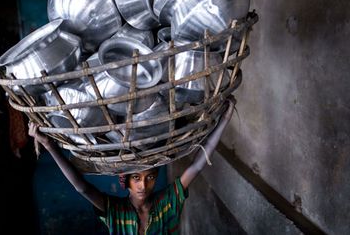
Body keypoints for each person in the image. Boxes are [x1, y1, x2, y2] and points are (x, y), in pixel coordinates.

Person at [28, 98, 235, 234]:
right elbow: (82, 187)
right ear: (125, 181)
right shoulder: (116, 213)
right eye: (136, 178)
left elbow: (197, 165)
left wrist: (224, 120)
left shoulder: (167, 204)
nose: (143, 185)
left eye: (149, 177)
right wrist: (48, 144)